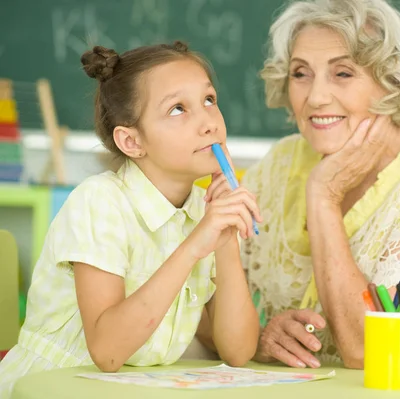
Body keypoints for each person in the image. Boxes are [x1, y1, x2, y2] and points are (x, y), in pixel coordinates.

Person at [214, 0, 400, 370]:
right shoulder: (278, 164)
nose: (315, 97)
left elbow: (369, 351)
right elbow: (196, 305)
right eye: (300, 73)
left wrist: (324, 197)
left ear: (392, 81)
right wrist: (258, 337)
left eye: (343, 73)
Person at [0, 41, 261, 397]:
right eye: (177, 109)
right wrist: (194, 246)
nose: (208, 123)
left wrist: (226, 238)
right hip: (51, 387)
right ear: (132, 142)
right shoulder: (99, 202)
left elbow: (238, 351)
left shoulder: (205, 210)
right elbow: (107, 353)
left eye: (209, 100)